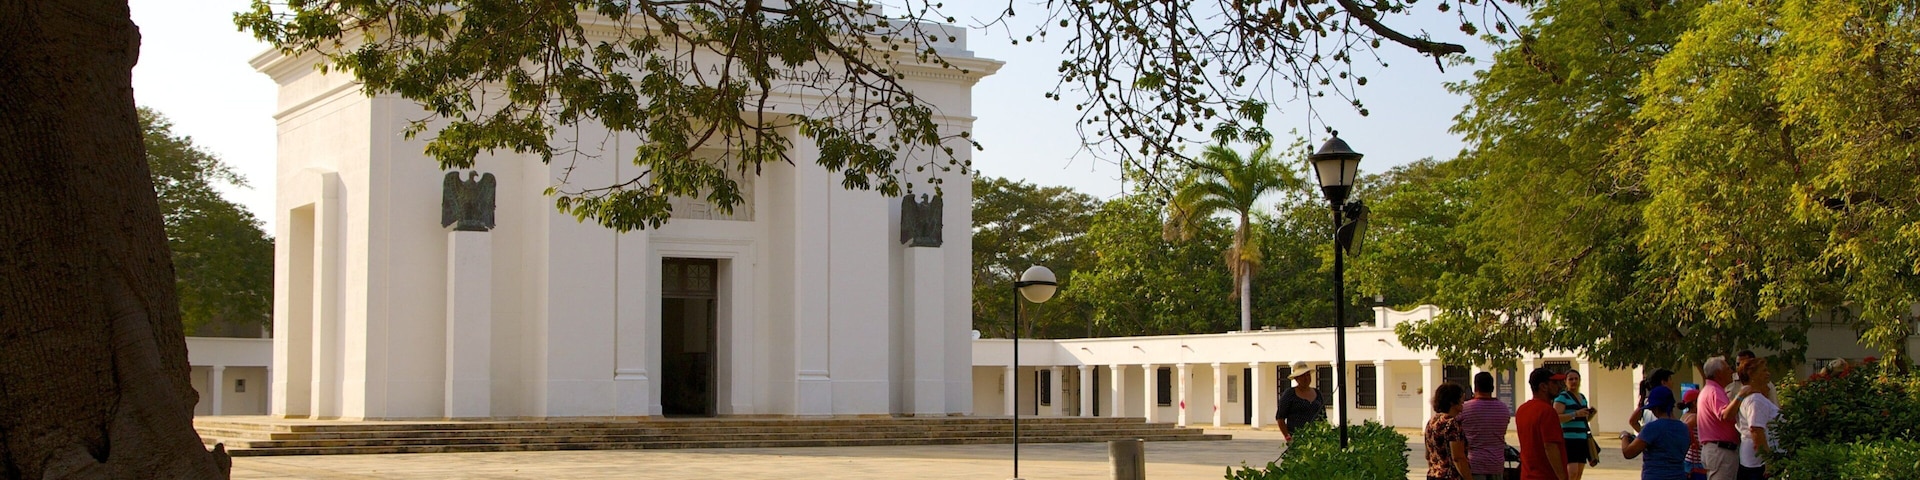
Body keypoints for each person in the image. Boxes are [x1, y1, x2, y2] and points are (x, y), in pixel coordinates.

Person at [1622, 385, 1689, 480]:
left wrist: (1624, 436)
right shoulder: (1684, 428)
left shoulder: (1652, 428)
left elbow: (1628, 453)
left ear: (1656, 408)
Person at [1460, 372, 1513, 480]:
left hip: (1473, 464)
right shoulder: (1503, 409)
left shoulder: (1464, 409)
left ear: (1475, 387)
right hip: (1496, 465)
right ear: (1492, 387)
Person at [1519, 367, 1570, 480]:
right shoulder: (1547, 411)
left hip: (1527, 474)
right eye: (1554, 382)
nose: (1559, 386)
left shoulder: (1522, 410)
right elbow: (1550, 446)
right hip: (1546, 475)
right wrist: (1562, 477)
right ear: (1543, 386)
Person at [1696, 356, 1741, 480]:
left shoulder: (1711, 390)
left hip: (1718, 450)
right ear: (1718, 374)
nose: (1731, 372)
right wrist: (1740, 397)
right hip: (1720, 450)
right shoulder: (1714, 391)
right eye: (1727, 369)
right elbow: (1725, 415)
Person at [1734, 357, 1778, 480]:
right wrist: (1768, 461)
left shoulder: (1753, 398)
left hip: (1751, 461)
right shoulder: (1756, 400)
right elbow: (1756, 430)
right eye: (1763, 370)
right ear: (1751, 374)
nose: (1768, 373)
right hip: (1758, 464)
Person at [1555, 369, 1599, 478]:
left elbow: (1583, 419)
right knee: (1572, 472)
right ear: (1565, 381)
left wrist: (1589, 415)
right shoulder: (1562, 397)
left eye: (1576, 379)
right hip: (1569, 439)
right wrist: (1575, 414)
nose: (1574, 381)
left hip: (1582, 438)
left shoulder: (1582, 397)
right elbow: (1556, 418)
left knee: (1579, 472)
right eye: (1571, 379)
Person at [1426, 383, 1474, 480]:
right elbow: (1458, 458)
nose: (1463, 401)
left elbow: (1428, 454)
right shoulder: (1452, 424)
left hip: (1433, 474)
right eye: (1461, 398)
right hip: (1450, 476)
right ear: (1452, 402)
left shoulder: (1432, 421)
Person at [1274, 360, 1325, 442]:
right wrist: (1288, 437)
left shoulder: (1317, 393)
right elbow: (1280, 418)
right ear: (1296, 378)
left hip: (1316, 439)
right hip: (1297, 438)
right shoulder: (1289, 394)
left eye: (1308, 375)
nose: (1306, 378)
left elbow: (1323, 417)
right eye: (1302, 376)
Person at [1679, 388, 1708, 480]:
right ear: (1695, 403)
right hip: (1696, 460)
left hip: (1688, 458)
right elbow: (1686, 428)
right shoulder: (1694, 417)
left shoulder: (1684, 415)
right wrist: (1694, 441)